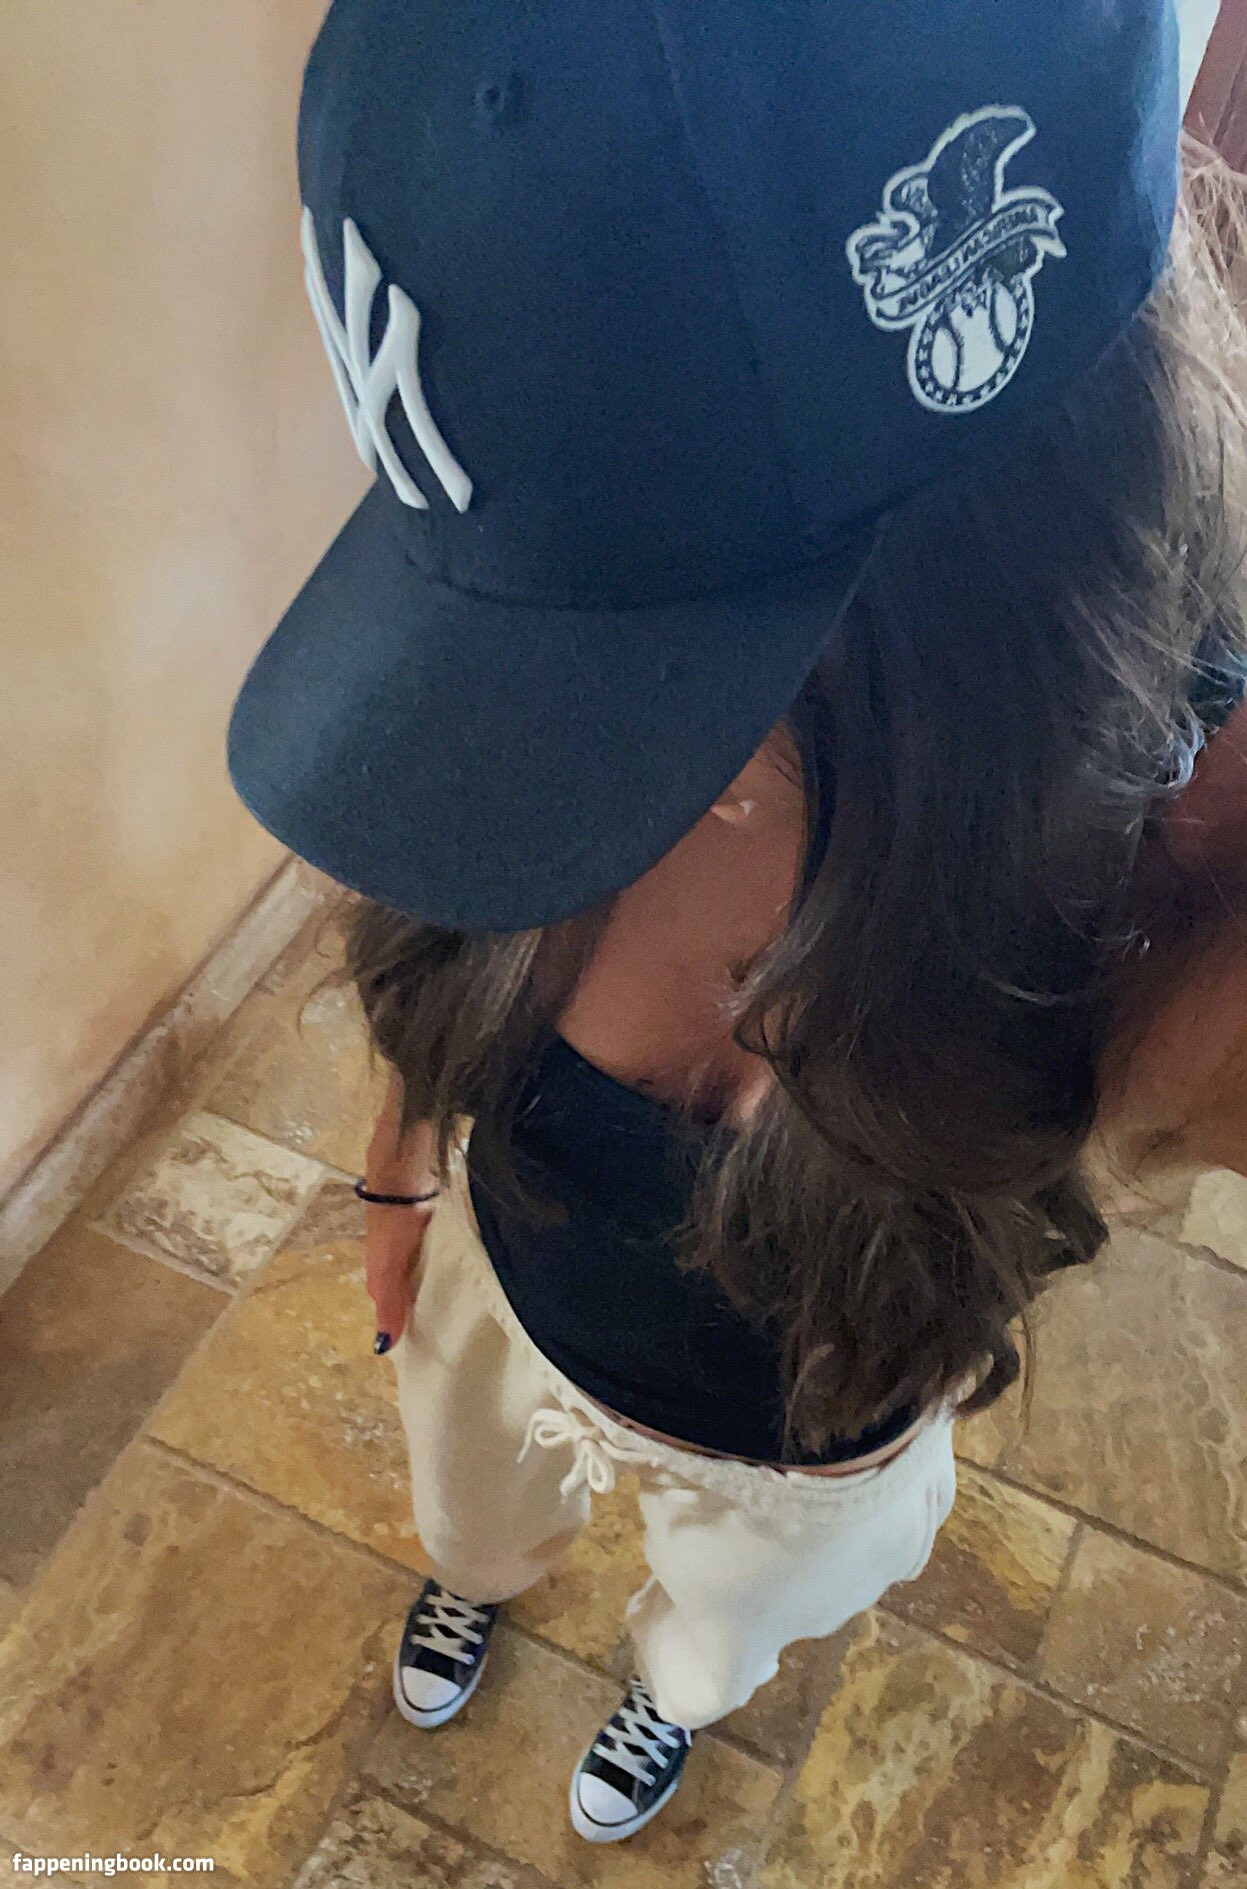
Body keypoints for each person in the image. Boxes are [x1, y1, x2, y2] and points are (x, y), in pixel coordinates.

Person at [226, 0, 1247, 1844]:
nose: (517, 759)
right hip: (518, 1290)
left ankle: (671, 1693)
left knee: (717, 1635)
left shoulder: (1171, 855)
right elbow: (439, 939)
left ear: (988, 609)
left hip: (814, 1431)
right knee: (472, 1508)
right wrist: (398, 1155)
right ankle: (494, 1574)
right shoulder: (535, 674)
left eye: (622, 671)